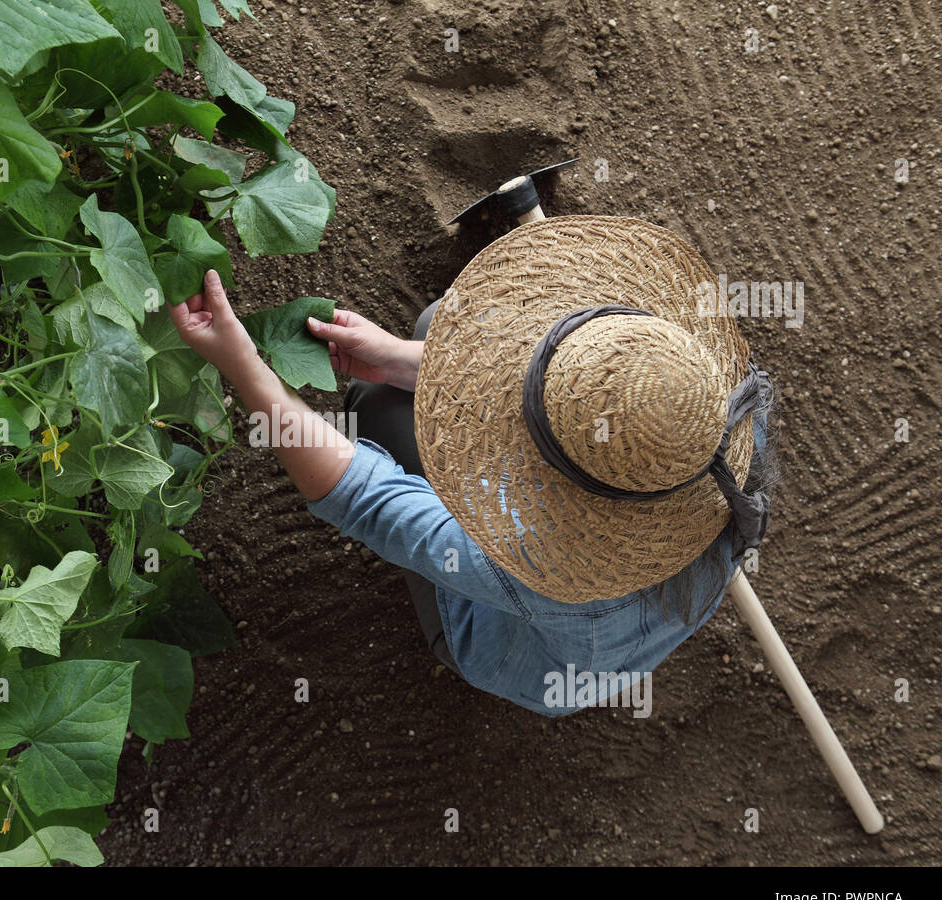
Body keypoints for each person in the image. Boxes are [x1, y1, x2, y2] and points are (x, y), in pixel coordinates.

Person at [168, 216, 776, 716]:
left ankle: (455, 637)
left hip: (519, 656)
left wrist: (243, 365)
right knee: (443, 324)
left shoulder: (545, 564)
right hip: (621, 617)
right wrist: (405, 359)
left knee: (376, 408)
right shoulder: (715, 410)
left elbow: (366, 498)